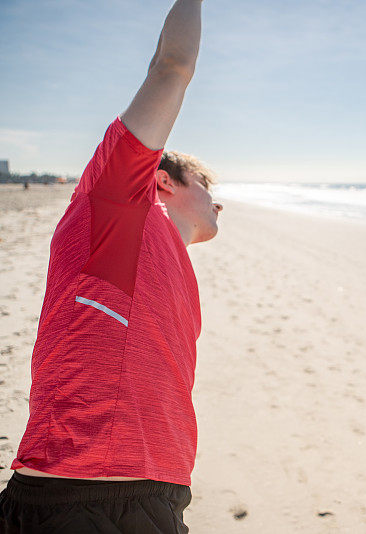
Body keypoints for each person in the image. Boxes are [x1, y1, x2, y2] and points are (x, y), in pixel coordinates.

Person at [0, 1, 221, 532]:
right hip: (83, 495)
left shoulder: (170, 261)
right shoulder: (122, 211)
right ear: (164, 181)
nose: (219, 202)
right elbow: (172, 66)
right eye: (208, 187)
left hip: (157, 492)